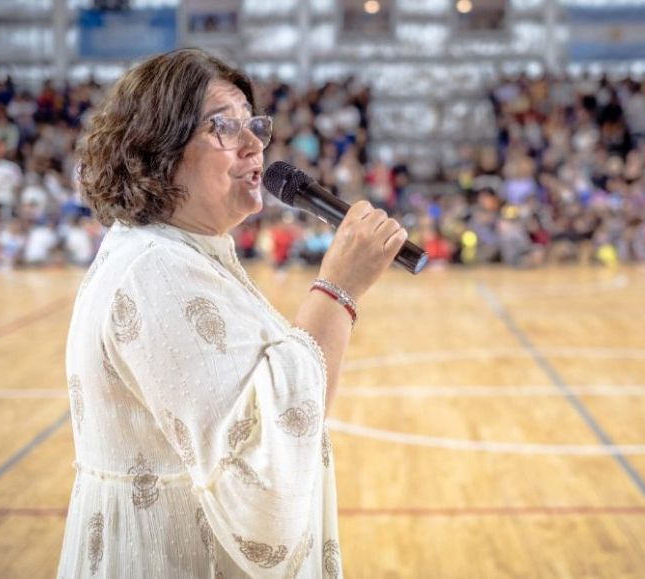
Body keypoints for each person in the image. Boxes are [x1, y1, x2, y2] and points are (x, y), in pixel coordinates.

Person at [57, 48, 407, 578]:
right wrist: (338, 289)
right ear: (158, 147)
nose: (254, 146)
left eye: (254, 126)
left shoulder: (176, 252)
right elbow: (259, 460)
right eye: (223, 127)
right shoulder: (158, 271)